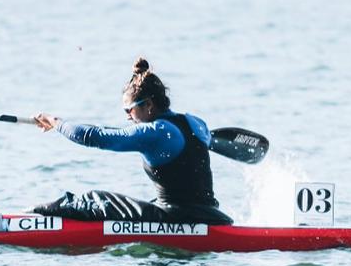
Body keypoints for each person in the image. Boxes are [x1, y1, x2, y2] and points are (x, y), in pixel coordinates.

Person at [32, 58, 233, 225]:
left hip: (178, 218)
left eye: (129, 110)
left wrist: (55, 122)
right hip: (211, 217)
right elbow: (114, 132)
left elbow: (95, 137)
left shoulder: (155, 132)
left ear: (148, 105)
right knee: (148, 203)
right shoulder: (197, 125)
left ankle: (30, 217)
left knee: (94, 200)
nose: (128, 116)